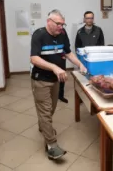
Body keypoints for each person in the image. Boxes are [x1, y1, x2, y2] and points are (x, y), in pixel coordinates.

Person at [30, 9, 87, 160]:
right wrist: (54, 67)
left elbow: (68, 52)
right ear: (49, 22)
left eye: (63, 24)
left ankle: (43, 126)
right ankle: (51, 146)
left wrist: (79, 64)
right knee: (46, 111)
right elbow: (34, 58)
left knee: (51, 109)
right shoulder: (39, 34)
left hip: (55, 81)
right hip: (41, 79)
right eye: (58, 24)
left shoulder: (62, 34)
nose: (61, 27)